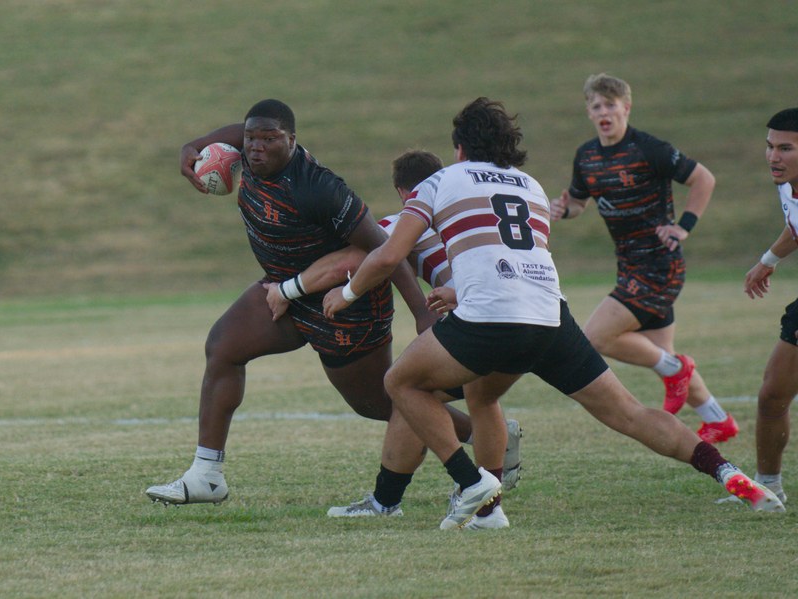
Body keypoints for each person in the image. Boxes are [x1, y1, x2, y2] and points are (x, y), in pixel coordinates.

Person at [323, 97, 784, 530]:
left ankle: (473, 484)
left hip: (489, 317)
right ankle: (725, 471)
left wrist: (345, 295)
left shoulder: (441, 181)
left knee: (400, 382)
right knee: (617, 411)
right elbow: (522, 255)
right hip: (549, 316)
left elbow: (386, 257)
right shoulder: (532, 187)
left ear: (459, 147)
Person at [145, 100, 475, 506]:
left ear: (292, 142)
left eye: (270, 140)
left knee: (379, 403)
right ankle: (206, 475)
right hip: (282, 289)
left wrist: (422, 314)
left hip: (346, 304)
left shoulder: (318, 188)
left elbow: (385, 250)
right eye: (251, 139)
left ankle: (484, 433)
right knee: (223, 347)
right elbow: (238, 131)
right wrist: (192, 146)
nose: (256, 148)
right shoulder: (249, 153)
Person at [267, 150, 521, 529]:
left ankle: (393, 500)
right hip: (530, 315)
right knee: (479, 397)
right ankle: (488, 504)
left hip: (477, 323)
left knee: (408, 390)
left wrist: (286, 290)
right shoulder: (473, 207)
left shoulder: (409, 218)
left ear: (404, 192)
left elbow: (350, 260)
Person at [550, 73, 738, 444]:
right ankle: (717, 419)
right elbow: (578, 202)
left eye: (611, 105)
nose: (604, 112)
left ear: (626, 108)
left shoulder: (648, 148)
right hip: (629, 267)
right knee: (659, 352)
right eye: (597, 106)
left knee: (595, 338)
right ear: (589, 112)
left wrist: (683, 226)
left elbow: (704, 179)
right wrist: (564, 209)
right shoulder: (586, 156)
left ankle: (676, 369)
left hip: (659, 266)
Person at [740, 107, 798, 505]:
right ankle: (769, 488)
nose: (773, 157)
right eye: (770, 146)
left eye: (786, 148)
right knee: (772, 395)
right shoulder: (787, 185)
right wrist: (768, 260)